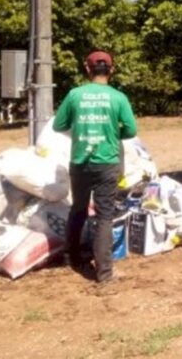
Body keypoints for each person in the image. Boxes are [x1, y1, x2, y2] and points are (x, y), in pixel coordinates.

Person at [54, 50, 137, 283]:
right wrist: (112, 130)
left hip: (80, 162)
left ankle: (71, 257)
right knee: (104, 217)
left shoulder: (74, 95)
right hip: (106, 162)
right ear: (111, 70)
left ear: (87, 69)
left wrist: (80, 126)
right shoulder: (118, 98)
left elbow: (59, 125)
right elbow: (131, 130)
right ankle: (104, 274)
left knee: (78, 209)